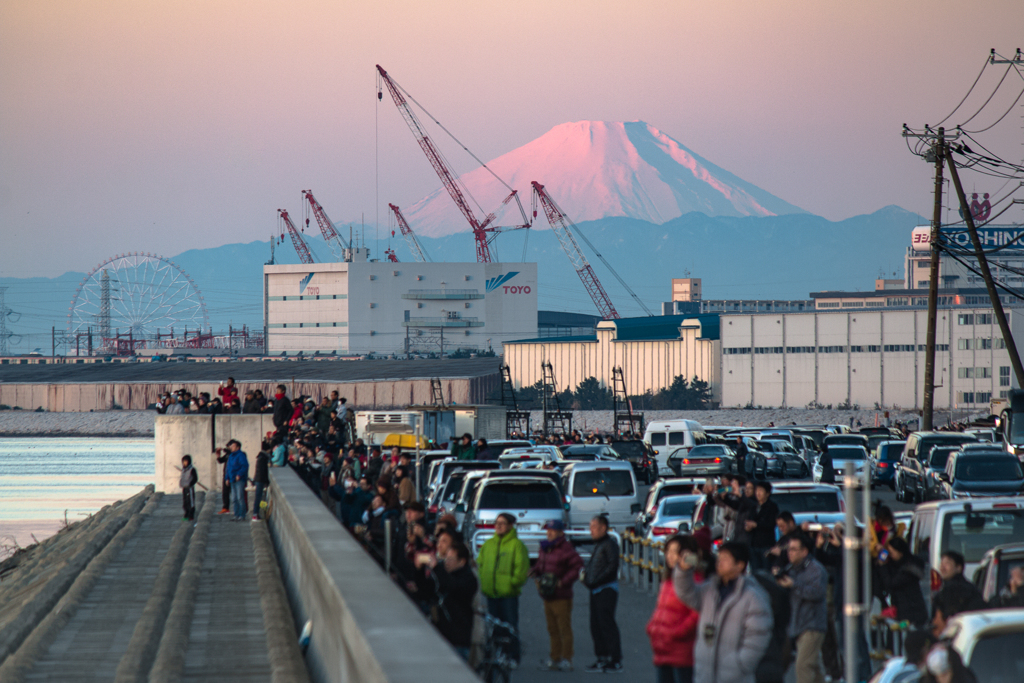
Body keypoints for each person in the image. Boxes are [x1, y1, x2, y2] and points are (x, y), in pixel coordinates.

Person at [674, 541, 773, 683]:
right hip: (705, 674)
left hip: (734, 676)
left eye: (725, 559)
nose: (719, 562)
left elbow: (757, 638)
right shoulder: (710, 588)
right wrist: (683, 571)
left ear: (740, 565)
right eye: (719, 557)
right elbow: (687, 595)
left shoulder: (753, 597)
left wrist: (739, 665)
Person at [477, 512, 529, 666]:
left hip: (508, 594)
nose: (498, 526)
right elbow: (480, 563)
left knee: (510, 626)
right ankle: (497, 654)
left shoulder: (517, 546)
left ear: (510, 526)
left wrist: (512, 583)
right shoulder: (488, 544)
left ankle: (513, 655)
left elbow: (521, 569)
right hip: (491, 593)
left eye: (502, 523)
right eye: (497, 523)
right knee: (494, 628)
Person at [532, 519, 584, 672]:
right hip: (547, 594)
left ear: (561, 533)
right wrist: (535, 573)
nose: (549, 532)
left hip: (561, 595)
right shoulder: (545, 548)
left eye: (553, 530)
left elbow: (578, 567)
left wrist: (563, 582)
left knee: (564, 629)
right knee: (552, 629)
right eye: (548, 529)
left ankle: (567, 659)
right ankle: (555, 658)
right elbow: (540, 566)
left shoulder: (566, 549)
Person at [647, 535, 701, 683]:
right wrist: (652, 627)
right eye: (668, 551)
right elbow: (660, 609)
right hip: (663, 648)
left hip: (683, 650)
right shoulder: (667, 580)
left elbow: (697, 612)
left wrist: (678, 632)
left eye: (675, 551)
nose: (670, 556)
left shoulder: (694, 580)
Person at [777, 534, 828, 683]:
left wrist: (793, 585)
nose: (789, 553)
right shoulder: (791, 568)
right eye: (788, 549)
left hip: (812, 625)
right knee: (815, 668)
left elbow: (817, 593)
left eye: (793, 549)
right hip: (797, 624)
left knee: (803, 666)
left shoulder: (815, 569)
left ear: (804, 551)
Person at [582, 515, 623, 673]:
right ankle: (602, 657)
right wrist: (587, 578)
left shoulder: (609, 544)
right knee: (596, 625)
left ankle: (615, 660)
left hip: (606, 589)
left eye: (594, 527)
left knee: (606, 624)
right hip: (595, 589)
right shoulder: (600, 544)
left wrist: (596, 580)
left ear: (603, 528)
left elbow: (612, 566)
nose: (591, 530)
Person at [424, 542, 478, 661]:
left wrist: (437, 568)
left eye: (451, 559)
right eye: (446, 559)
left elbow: (453, 586)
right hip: (442, 635)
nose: (446, 563)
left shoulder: (469, 579)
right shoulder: (444, 574)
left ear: (462, 561)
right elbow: (427, 591)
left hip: (459, 639)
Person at [878, 536, 928, 627]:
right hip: (904, 609)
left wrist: (883, 566)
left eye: (891, 552)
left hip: (911, 611)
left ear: (900, 552)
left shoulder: (909, 568)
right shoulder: (898, 565)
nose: (890, 555)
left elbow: (891, 583)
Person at [932, 551, 987, 621]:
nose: (942, 567)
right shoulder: (972, 587)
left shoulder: (953, 589)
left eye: (947, 563)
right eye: (941, 563)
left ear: (958, 568)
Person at [746, 481, 779, 570]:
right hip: (753, 544)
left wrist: (756, 525)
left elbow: (771, 524)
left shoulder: (772, 507)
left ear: (767, 493)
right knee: (755, 571)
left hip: (766, 544)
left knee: (766, 571)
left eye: (761, 491)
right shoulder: (754, 507)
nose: (758, 493)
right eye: (757, 490)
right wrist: (748, 526)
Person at [224, 439, 250, 521]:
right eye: (231, 446)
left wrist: (239, 474)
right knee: (234, 498)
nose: (231, 447)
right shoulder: (231, 456)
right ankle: (236, 514)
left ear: (238, 447)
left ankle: (242, 515)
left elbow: (245, 466)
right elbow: (228, 468)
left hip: (239, 479)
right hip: (232, 479)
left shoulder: (241, 455)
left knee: (240, 497)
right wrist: (226, 478)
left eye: (233, 446)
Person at [252, 440, 270, 521]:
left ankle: (259, 513)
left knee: (260, 497)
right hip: (261, 480)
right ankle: (255, 514)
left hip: (258, 479)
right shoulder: (263, 458)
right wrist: (266, 481)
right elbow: (263, 471)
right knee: (259, 497)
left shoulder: (260, 456)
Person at [180, 455, 198, 522]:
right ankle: (186, 514)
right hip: (184, 488)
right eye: (184, 461)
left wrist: (190, 484)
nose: (185, 463)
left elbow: (195, 478)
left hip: (190, 488)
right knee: (185, 501)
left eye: (186, 461)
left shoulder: (192, 469)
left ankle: (191, 515)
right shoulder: (183, 470)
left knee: (191, 501)